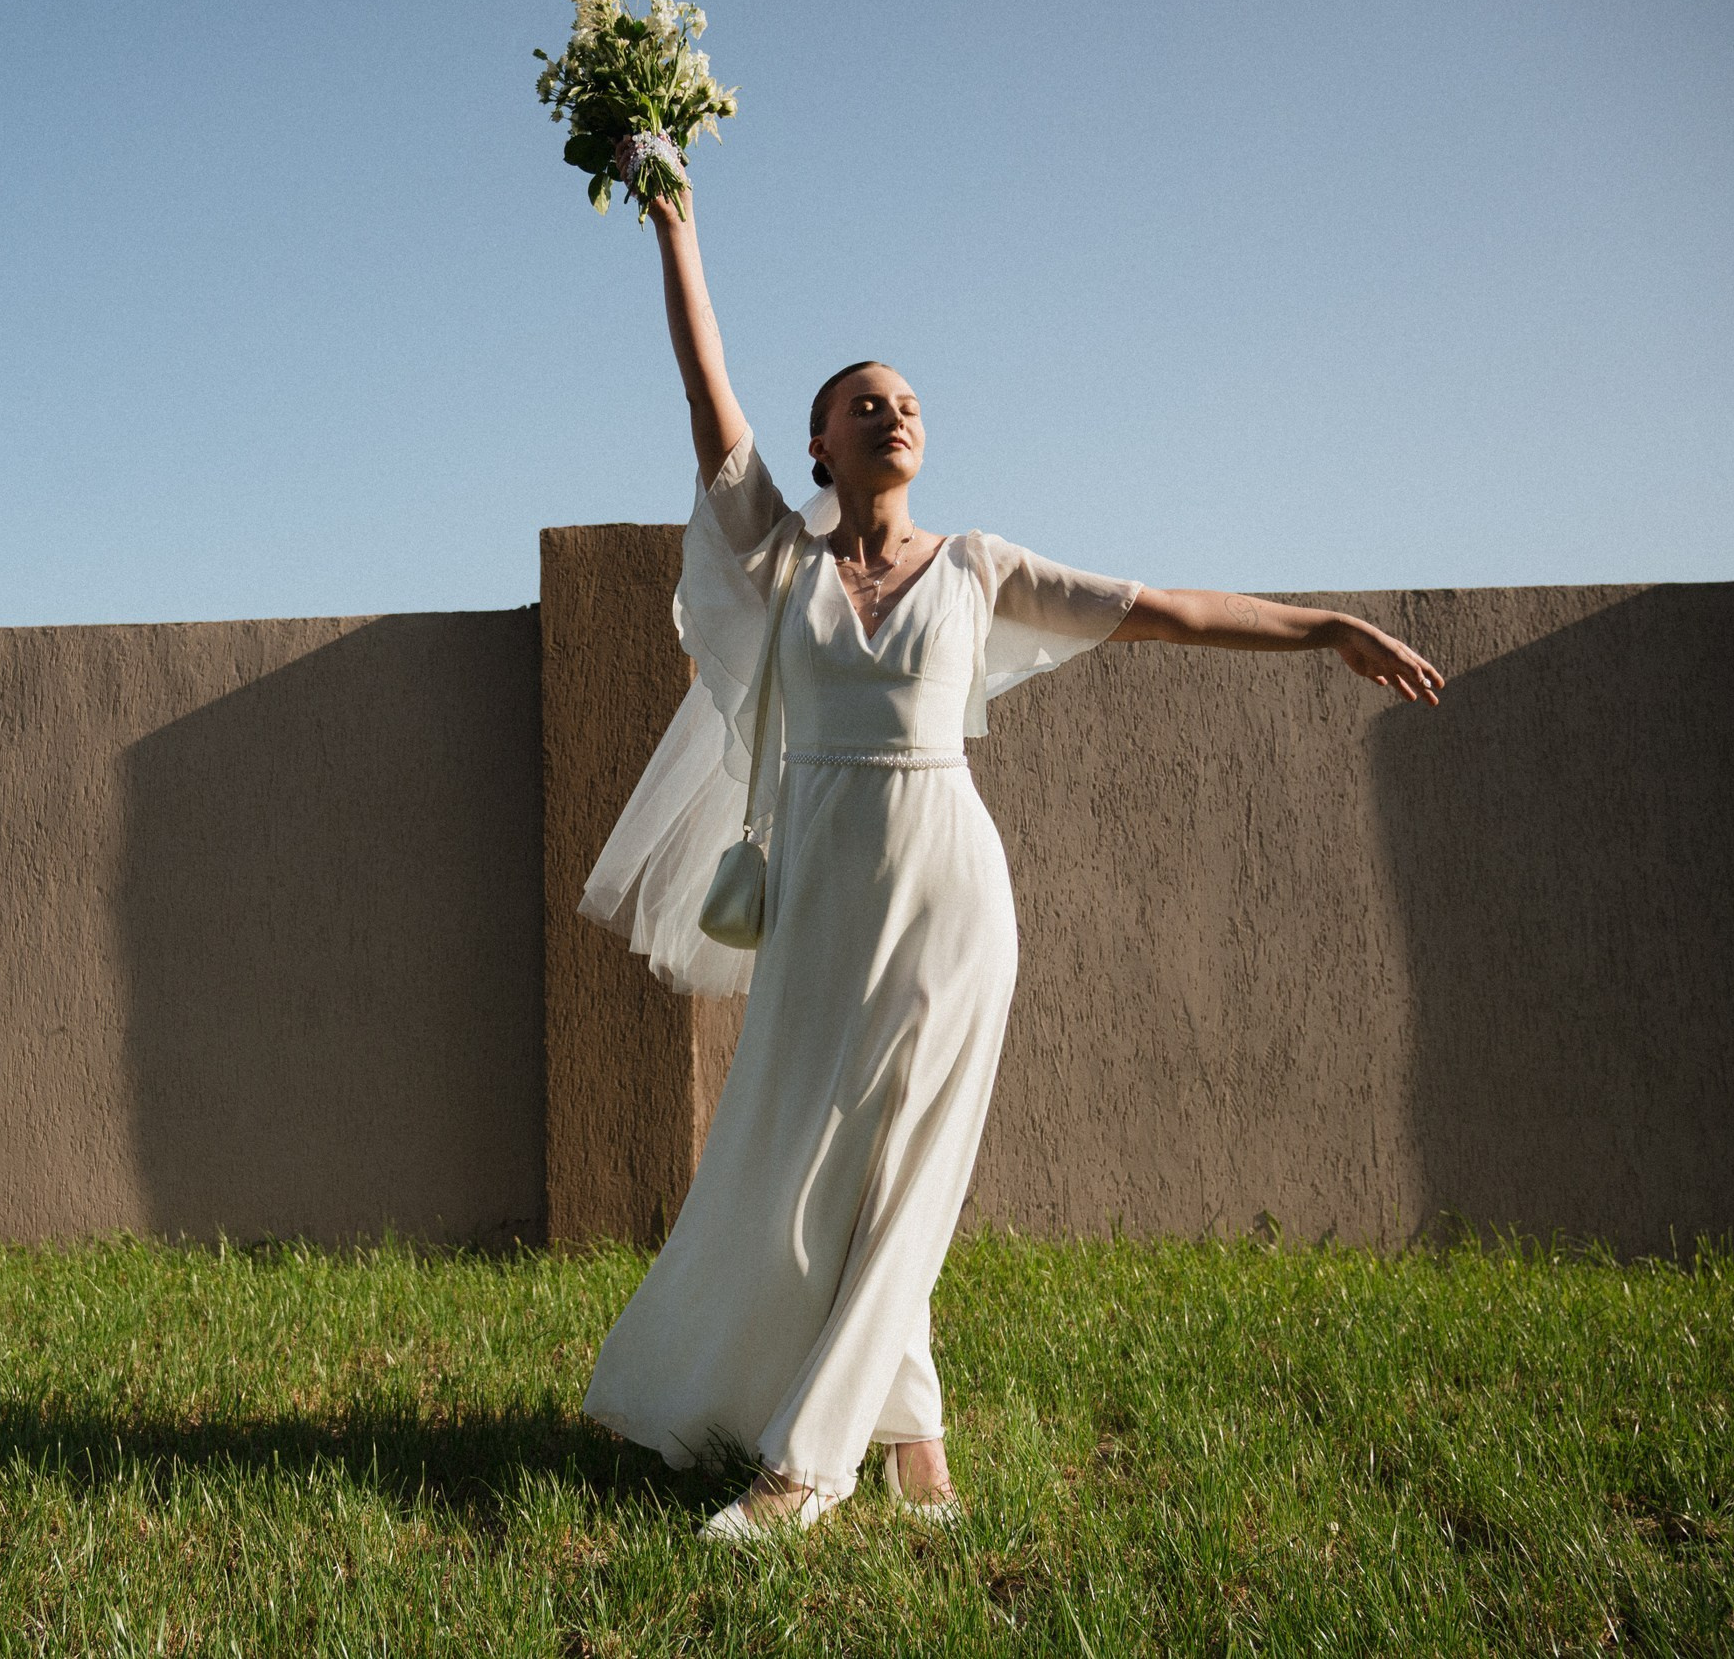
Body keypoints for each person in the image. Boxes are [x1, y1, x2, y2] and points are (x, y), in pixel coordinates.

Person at [575, 188, 1445, 1541]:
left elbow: (1166, 611)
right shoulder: (779, 556)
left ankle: (805, 1468)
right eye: (865, 404)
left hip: (950, 895)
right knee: (809, 1159)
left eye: (909, 403)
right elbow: (706, 386)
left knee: (910, 1164)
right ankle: (917, 1445)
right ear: (819, 442)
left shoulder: (977, 569)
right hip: (822, 902)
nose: (894, 415)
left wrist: (1323, 626)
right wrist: (674, 224)